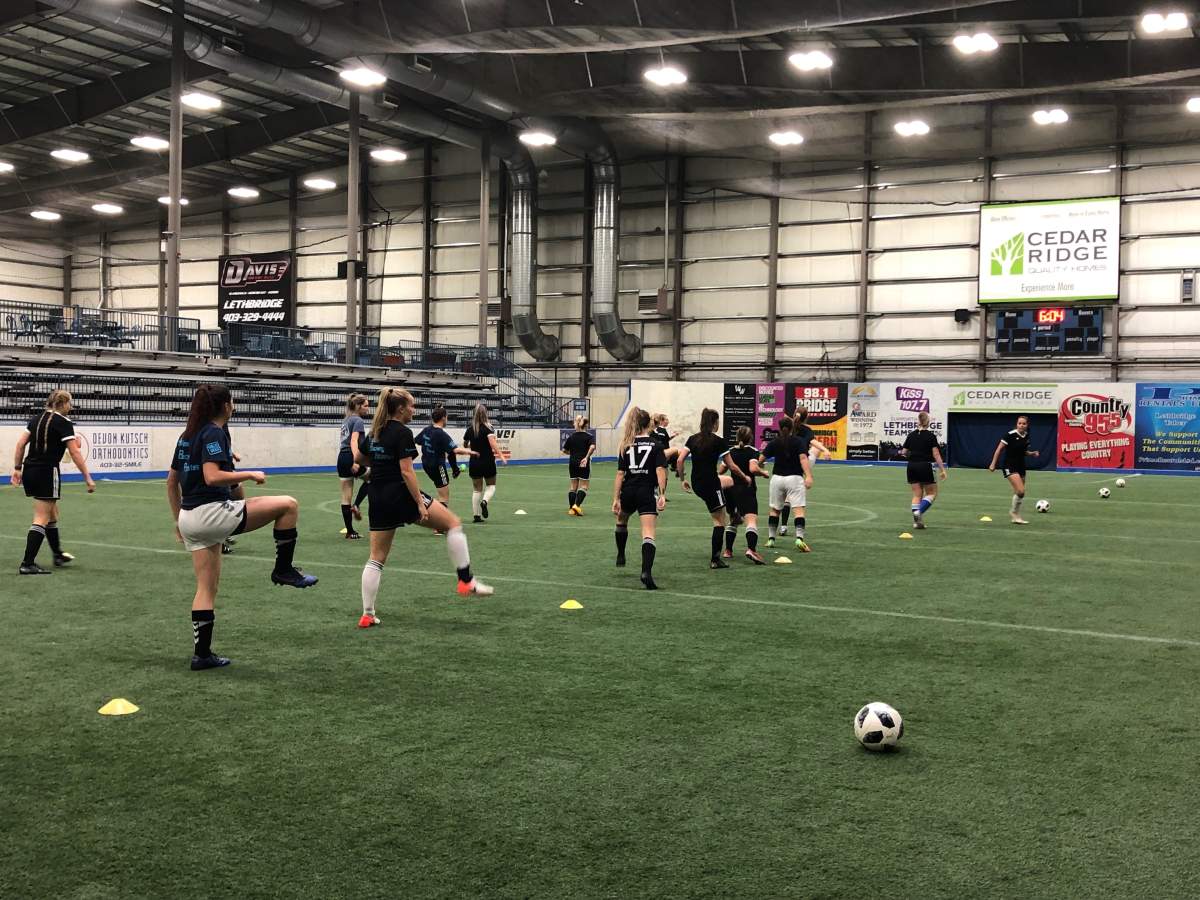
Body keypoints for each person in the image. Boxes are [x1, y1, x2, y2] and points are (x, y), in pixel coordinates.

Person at [167, 384, 317, 671]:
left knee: (206, 588)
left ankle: (202, 655)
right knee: (289, 505)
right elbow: (212, 477)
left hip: (190, 518)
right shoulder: (213, 432)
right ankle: (283, 569)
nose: (234, 406)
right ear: (225, 405)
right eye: (232, 401)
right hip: (210, 513)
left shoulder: (187, 435)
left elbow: (171, 482)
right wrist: (249, 474)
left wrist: (177, 521)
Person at [356, 388, 493, 628]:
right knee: (453, 523)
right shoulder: (403, 432)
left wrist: (375, 469)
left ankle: (367, 614)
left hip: (377, 496)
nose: (414, 410)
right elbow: (407, 472)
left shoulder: (375, 431)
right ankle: (465, 581)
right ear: (400, 409)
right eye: (411, 406)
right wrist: (420, 503)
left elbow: (359, 459)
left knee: (376, 558)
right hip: (401, 494)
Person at [10, 389, 95, 575]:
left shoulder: (36, 419)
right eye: (69, 403)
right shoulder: (63, 422)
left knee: (52, 513)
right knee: (41, 517)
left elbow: (20, 444)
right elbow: (74, 452)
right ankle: (27, 563)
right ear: (63, 403)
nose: (70, 407)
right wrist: (88, 478)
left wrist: (17, 468)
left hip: (30, 470)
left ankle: (57, 554)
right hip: (47, 471)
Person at [675, 408, 751, 569]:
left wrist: (682, 479)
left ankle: (734, 513)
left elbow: (680, 460)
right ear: (714, 423)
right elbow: (731, 466)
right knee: (719, 521)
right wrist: (745, 477)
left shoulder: (692, 439)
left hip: (697, 483)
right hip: (711, 485)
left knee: (729, 481)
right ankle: (715, 560)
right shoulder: (718, 441)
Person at [611, 406, 667, 590]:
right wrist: (662, 493)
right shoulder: (656, 445)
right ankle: (646, 572)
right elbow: (660, 470)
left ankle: (621, 554)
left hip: (628, 491)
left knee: (621, 521)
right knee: (648, 532)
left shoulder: (625, 445)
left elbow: (620, 474)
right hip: (646, 492)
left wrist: (616, 498)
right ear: (648, 424)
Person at [760, 418, 813, 551]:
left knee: (774, 510)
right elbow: (803, 458)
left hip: (777, 479)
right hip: (794, 479)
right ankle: (799, 539)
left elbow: (761, 458)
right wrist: (808, 476)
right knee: (798, 511)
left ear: (779, 427)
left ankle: (771, 539)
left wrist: (760, 468)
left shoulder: (774, 442)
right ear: (792, 428)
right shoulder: (799, 441)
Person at [415, 405, 477, 516]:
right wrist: (471, 452)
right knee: (444, 496)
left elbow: (417, 441)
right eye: (447, 417)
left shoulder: (426, 430)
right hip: (438, 466)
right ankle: (438, 521)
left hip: (426, 465)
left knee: (440, 489)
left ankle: (455, 469)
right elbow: (455, 450)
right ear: (443, 418)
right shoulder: (441, 434)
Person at [718, 426, 767, 564]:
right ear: (750, 438)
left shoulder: (730, 452)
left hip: (731, 489)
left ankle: (728, 550)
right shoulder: (753, 451)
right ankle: (751, 549)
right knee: (751, 520)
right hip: (746, 489)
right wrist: (763, 473)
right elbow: (753, 468)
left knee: (734, 520)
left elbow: (721, 470)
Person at [781, 406, 830, 536]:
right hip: (803, 462)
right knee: (815, 449)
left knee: (787, 497)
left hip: (788, 463)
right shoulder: (806, 430)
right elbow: (814, 442)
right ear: (806, 418)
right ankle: (806, 474)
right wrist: (825, 450)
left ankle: (783, 527)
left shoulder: (788, 427)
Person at [988, 414, 1040, 525]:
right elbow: (999, 449)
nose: (1021, 425)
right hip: (1009, 465)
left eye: (1024, 423)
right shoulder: (1010, 435)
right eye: (1019, 423)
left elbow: (1023, 452)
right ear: (1016, 424)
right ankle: (1014, 513)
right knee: (1021, 491)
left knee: (1020, 493)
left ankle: (1015, 515)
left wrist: (1032, 453)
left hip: (1021, 466)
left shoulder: (1026, 436)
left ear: (1027, 425)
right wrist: (993, 463)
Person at [900, 411, 947, 529]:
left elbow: (904, 452)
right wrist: (942, 469)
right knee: (932, 493)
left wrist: (911, 454)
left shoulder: (911, 435)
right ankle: (919, 512)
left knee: (917, 494)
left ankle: (917, 522)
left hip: (911, 466)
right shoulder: (930, 436)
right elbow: (936, 454)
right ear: (927, 422)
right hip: (925, 466)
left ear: (918, 421)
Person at [463, 402, 507, 524]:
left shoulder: (470, 429)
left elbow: (465, 444)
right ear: (485, 414)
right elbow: (493, 443)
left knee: (476, 490)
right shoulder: (489, 428)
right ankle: (485, 501)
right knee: (491, 486)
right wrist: (501, 456)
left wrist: (472, 445)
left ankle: (476, 516)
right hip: (487, 462)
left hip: (474, 462)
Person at [336, 394, 371, 540]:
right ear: (358, 406)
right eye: (366, 406)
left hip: (342, 458)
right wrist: (356, 461)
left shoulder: (346, 420)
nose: (368, 408)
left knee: (346, 496)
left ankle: (350, 532)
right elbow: (354, 441)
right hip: (351, 456)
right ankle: (356, 505)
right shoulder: (358, 420)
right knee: (372, 478)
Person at [563, 415, 597, 516]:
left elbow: (564, 450)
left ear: (577, 424)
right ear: (586, 425)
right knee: (584, 486)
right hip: (583, 463)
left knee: (573, 486)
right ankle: (576, 505)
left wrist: (573, 454)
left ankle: (571, 509)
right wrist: (586, 457)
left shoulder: (571, 437)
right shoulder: (589, 437)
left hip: (572, 462)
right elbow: (592, 447)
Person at [649, 413, 681, 502]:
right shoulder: (651, 431)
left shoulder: (660, 431)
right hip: (658, 455)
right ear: (660, 421)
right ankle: (675, 468)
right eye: (666, 419)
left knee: (665, 475)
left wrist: (673, 436)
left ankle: (661, 494)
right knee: (659, 473)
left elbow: (665, 440)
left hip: (663, 454)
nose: (668, 421)